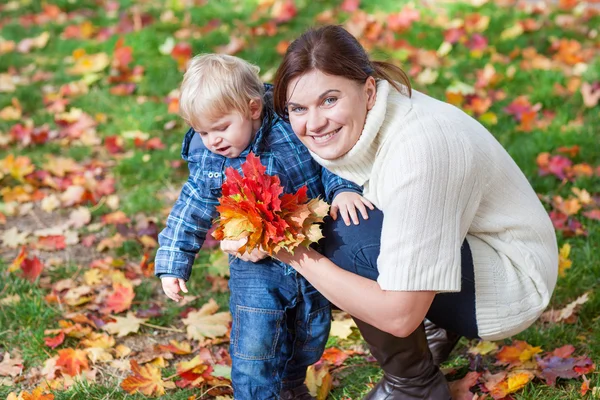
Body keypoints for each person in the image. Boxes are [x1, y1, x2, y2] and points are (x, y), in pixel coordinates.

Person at [222, 26, 558, 399]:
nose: (313, 123)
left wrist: (287, 246)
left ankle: (415, 388)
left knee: (342, 235)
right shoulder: (368, 115)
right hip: (468, 243)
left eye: (330, 100)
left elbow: (399, 316)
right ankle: (432, 331)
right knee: (337, 222)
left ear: (368, 90)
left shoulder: (421, 149)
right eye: (298, 108)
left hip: (511, 283)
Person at [154, 53, 373, 400]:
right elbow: (190, 209)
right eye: (202, 131)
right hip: (255, 265)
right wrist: (173, 262)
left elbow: (327, 158)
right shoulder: (211, 159)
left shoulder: (290, 130)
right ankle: (257, 393)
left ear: (254, 109)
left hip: (309, 255)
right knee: (255, 348)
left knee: (310, 333)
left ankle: (290, 383)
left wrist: (343, 189)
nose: (213, 140)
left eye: (221, 127)